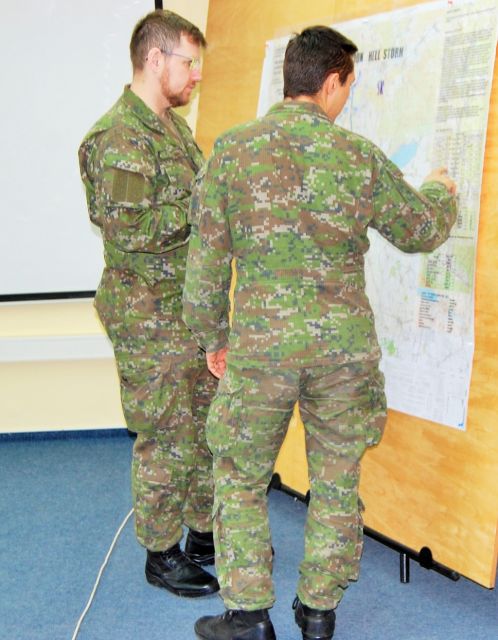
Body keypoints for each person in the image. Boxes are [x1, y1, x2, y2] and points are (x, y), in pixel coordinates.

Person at [182, 25, 457, 640]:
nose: (346, 98)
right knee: (336, 477)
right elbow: (420, 228)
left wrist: (213, 338)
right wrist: (442, 189)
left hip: (261, 350)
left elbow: (204, 266)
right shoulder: (356, 156)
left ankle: (249, 616)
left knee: (240, 475)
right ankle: (318, 612)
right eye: (348, 86)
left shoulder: (233, 151)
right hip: (343, 354)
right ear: (331, 82)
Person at [78, 10, 219, 599]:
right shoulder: (119, 137)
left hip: (185, 309)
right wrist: (203, 206)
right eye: (190, 64)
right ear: (156, 59)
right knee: (164, 432)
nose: (196, 76)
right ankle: (161, 553)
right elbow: (129, 229)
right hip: (147, 314)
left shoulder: (172, 129)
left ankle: (204, 533)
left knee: (203, 425)